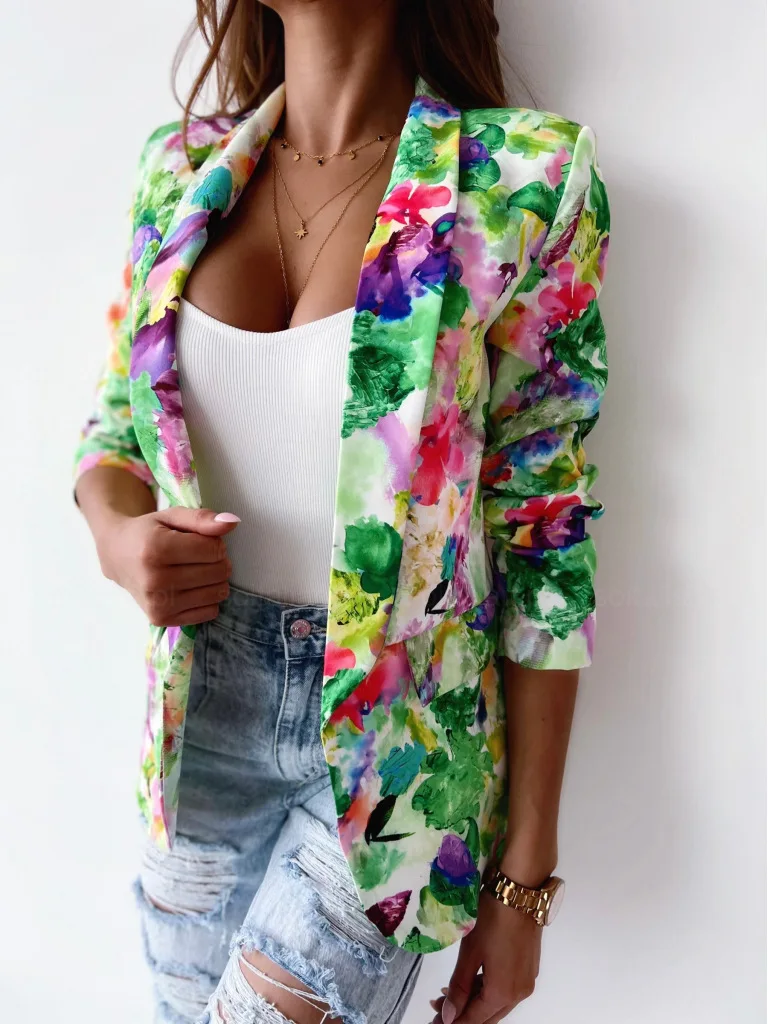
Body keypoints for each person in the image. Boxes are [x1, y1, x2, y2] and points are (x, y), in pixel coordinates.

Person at [72, 1, 611, 1021]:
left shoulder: (524, 177)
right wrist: (120, 538)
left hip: (397, 756)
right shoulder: (179, 169)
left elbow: (547, 529)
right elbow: (112, 436)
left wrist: (524, 882)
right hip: (200, 732)